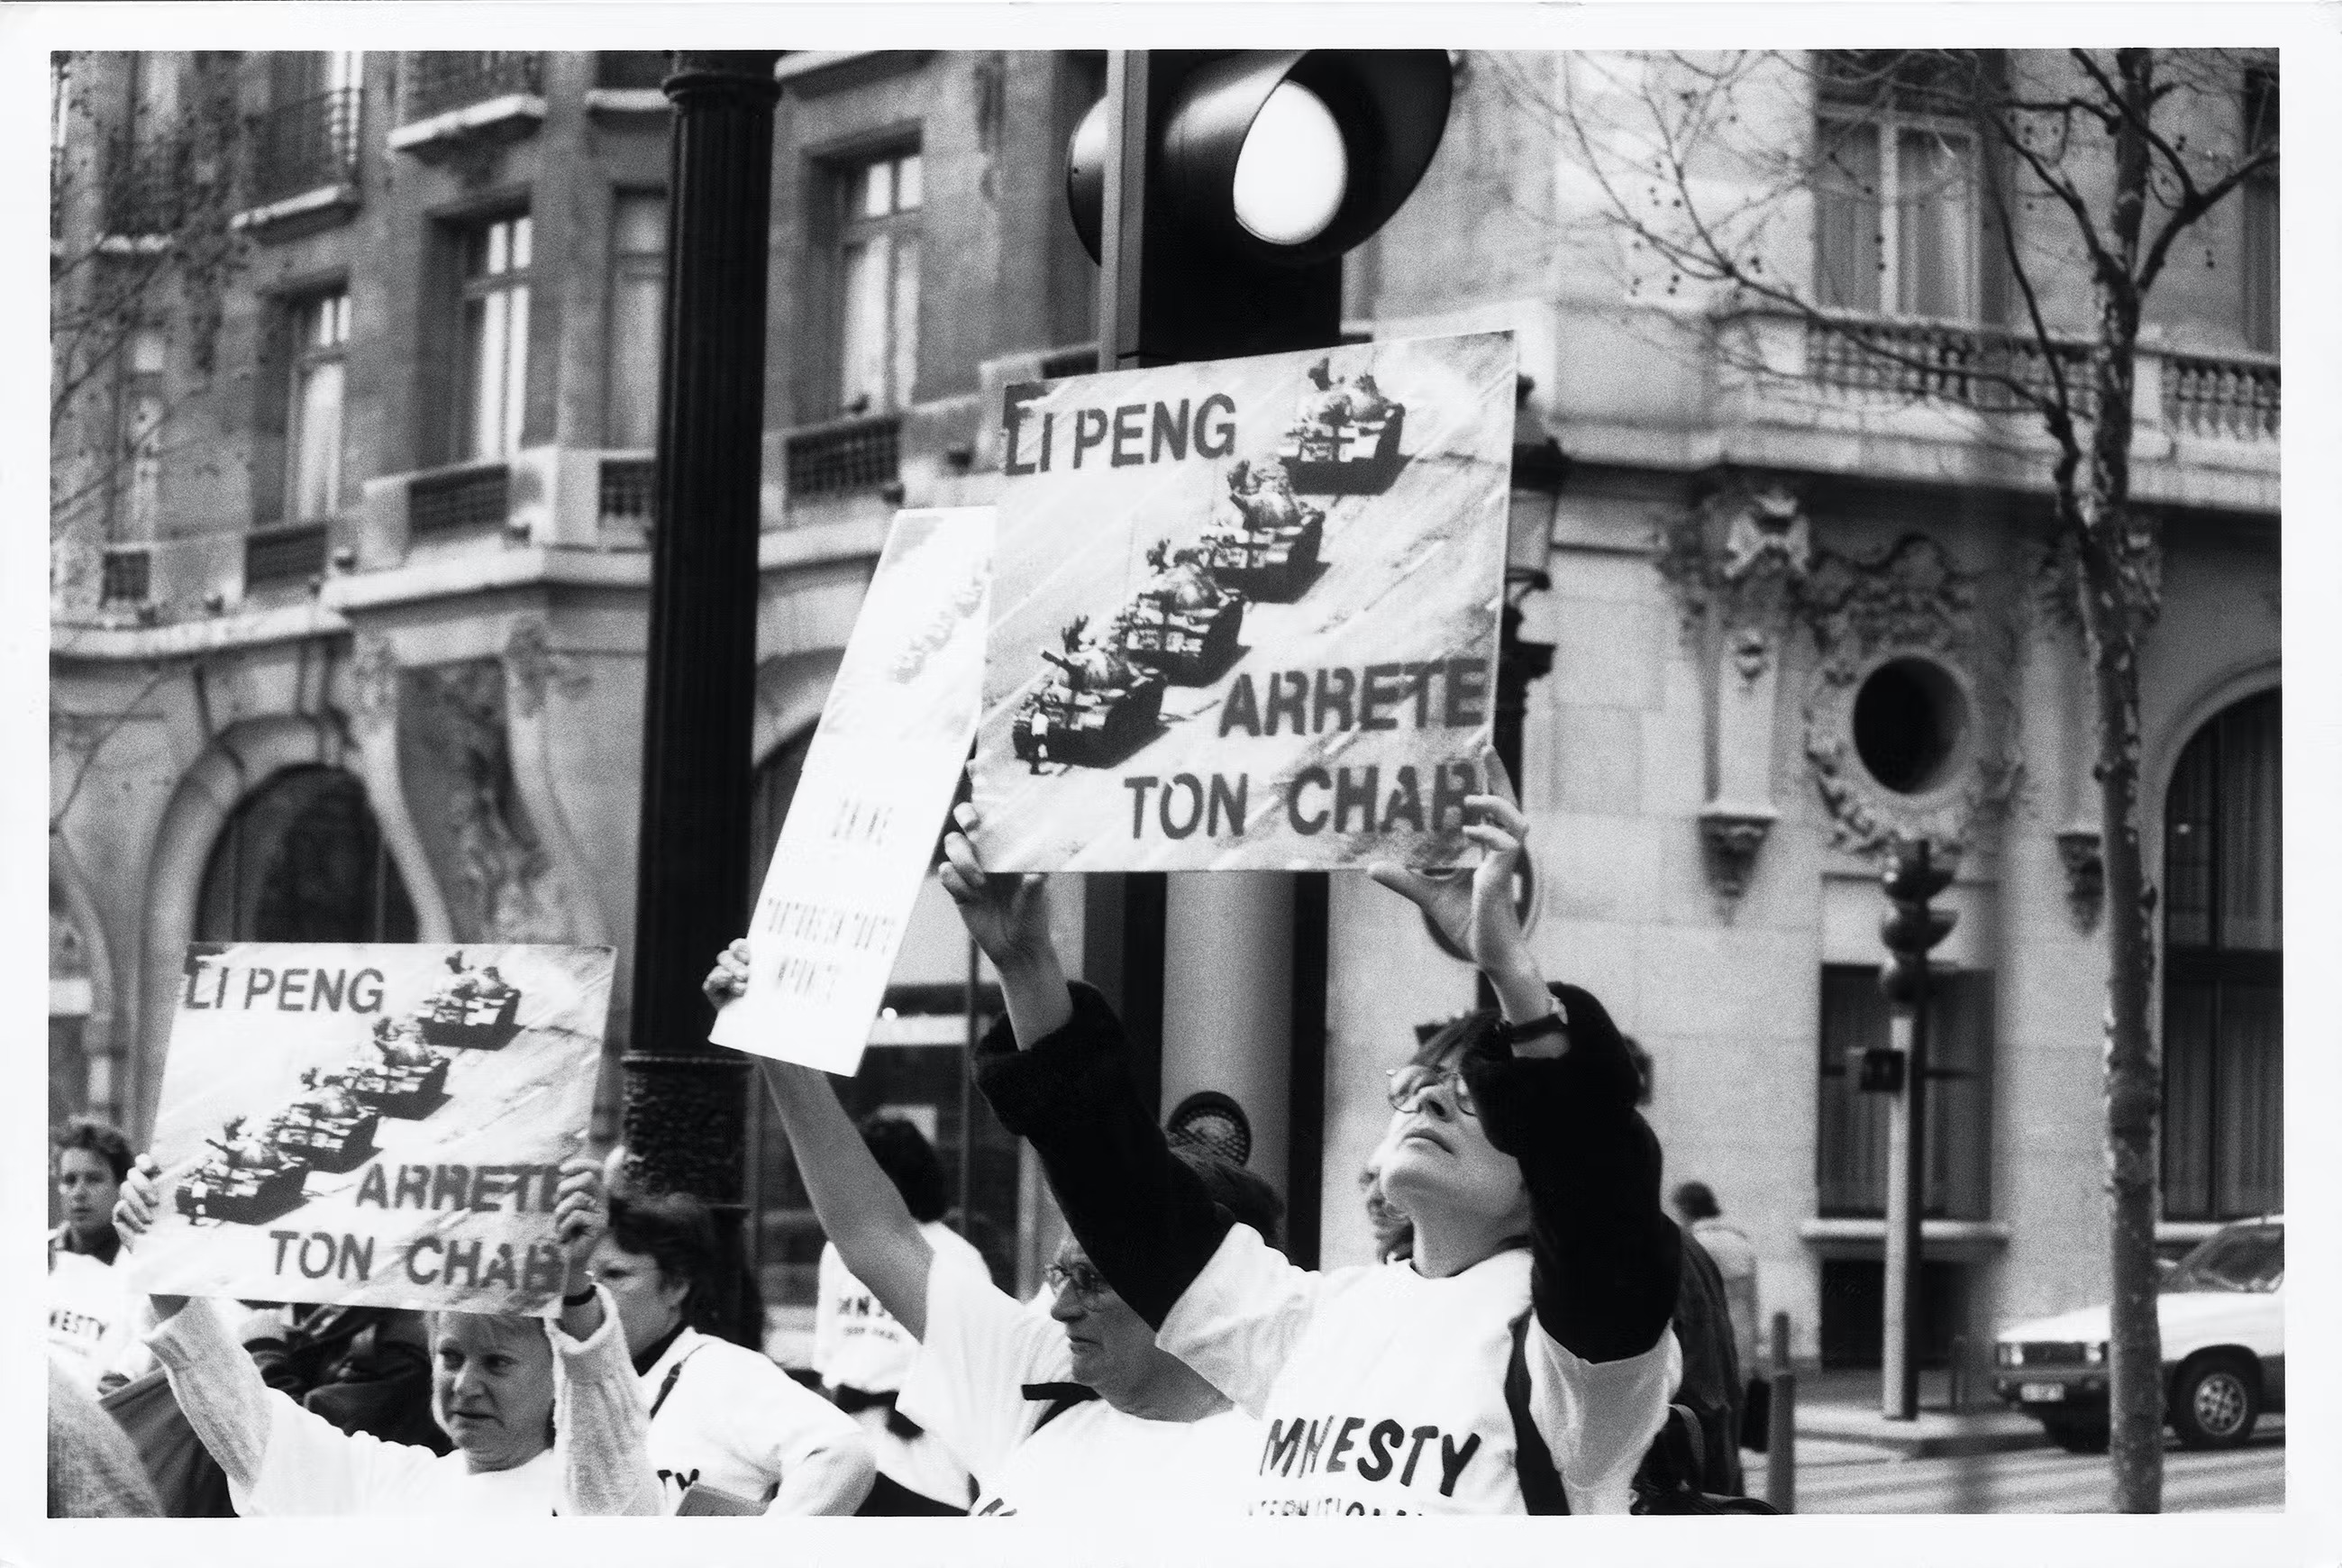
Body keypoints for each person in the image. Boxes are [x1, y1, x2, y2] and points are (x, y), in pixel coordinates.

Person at [936, 790, 1681, 1515]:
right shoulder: (1316, 1318)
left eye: (1475, 1098)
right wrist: (1026, 968)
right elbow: (1121, 1193)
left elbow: (1600, 1201)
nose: (1428, 1101)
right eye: (1418, 1085)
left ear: (1541, 1164)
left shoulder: (1573, 1351)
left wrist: (1511, 974)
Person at [711, 944, 1283, 1520]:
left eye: (1091, 1279)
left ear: (1198, 1286)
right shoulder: (1041, 1383)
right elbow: (872, 1233)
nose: (1059, 1308)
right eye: (1059, 1272)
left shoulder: (1279, 1462)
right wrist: (778, 1046)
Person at [113, 1153, 661, 1516]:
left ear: (556, 1373)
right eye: (450, 1357)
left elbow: (607, 1431)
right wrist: (166, 1268)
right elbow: (245, 1420)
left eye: (497, 1363)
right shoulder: (386, 1481)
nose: (465, 1384)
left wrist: (574, 1291)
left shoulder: (598, 1495)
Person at [586, 1189, 873, 1514]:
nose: (592, 1292)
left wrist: (765, 1549)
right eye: (580, 1277)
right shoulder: (558, 1374)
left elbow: (841, 1451)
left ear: (676, 1286)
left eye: (615, 1275)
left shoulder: (720, 1370)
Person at [812, 1115, 988, 1514]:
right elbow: (828, 1350)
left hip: (922, 1449)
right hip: (850, 1438)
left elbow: (971, 1366)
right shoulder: (839, 1251)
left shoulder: (956, 1258)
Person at [49, 1117, 144, 1392]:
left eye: (93, 1179)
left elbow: (123, 1383)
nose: (79, 1193)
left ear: (121, 1186)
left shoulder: (140, 1274)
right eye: (69, 1180)